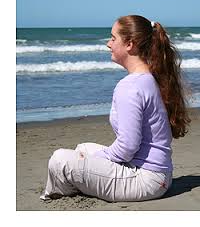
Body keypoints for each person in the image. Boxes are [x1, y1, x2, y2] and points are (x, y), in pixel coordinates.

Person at [40, 15, 191, 202]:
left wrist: (99, 157)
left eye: (113, 38)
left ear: (130, 44)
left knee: (60, 160)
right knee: (83, 148)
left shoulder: (130, 86)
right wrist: (92, 155)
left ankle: (54, 194)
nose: (108, 44)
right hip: (159, 176)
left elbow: (127, 147)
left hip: (145, 180)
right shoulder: (149, 78)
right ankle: (76, 184)